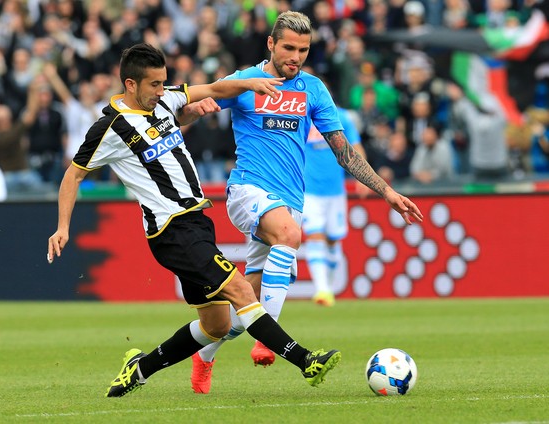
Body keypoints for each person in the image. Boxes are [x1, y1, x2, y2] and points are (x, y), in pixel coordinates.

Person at [47, 43, 342, 398]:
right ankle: (305, 360)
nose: (162, 91)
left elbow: (216, 89)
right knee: (241, 290)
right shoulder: (111, 127)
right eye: (154, 85)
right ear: (130, 84)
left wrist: (247, 85)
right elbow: (73, 175)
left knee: (216, 325)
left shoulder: (165, 102)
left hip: (197, 221)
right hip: (172, 229)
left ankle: (139, 370)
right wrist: (63, 226)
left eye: (164, 83)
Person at [191, 11, 423, 394]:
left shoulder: (313, 90)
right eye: (288, 48)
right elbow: (191, 106)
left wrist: (387, 192)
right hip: (247, 190)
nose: (295, 56)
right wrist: (193, 110)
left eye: (303, 49)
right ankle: (270, 339)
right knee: (290, 233)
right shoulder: (244, 81)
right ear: (271, 43)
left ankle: (205, 355)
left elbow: (345, 153)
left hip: (289, 198)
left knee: (245, 303)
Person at [303, 105, 365, 307]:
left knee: (332, 239)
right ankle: (322, 289)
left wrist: (362, 177)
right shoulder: (300, 116)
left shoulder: (343, 117)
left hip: (335, 191)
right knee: (315, 234)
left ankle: (327, 287)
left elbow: (355, 146)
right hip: (309, 190)